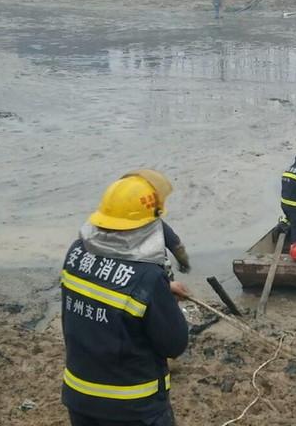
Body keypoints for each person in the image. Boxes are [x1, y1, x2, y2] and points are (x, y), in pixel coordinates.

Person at [60, 175, 191, 426]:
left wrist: (161, 291)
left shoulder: (76, 253)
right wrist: (165, 298)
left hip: (80, 397)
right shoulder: (149, 277)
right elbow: (174, 344)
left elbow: (103, 296)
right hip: (134, 407)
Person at [121, 168, 191, 275]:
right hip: (159, 274)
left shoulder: (114, 227)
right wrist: (184, 264)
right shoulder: (156, 224)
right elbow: (176, 245)